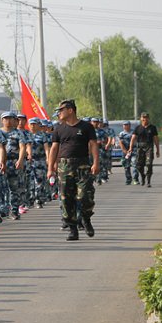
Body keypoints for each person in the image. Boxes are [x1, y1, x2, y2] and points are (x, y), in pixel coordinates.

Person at [47, 99, 99, 241]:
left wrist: (95, 163)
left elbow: (93, 144)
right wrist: (50, 168)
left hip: (83, 165)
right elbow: (54, 148)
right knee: (66, 198)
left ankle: (86, 219)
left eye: (61, 110)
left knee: (85, 196)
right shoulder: (58, 128)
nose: (59, 113)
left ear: (70, 110)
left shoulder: (86, 127)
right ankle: (72, 229)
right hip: (64, 166)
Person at [0, 112, 26, 220]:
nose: (8, 121)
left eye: (10, 118)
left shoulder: (18, 133)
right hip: (1, 163)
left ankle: (14, 210)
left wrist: (20, 160)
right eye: (6, 119)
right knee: (1, 187)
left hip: (13, 162)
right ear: (2, 120)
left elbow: (22, 147)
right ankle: (1, 210)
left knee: (14, 188)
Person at [128, 112, 160, 187]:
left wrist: (158, 150)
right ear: (141, 118)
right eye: (143, 117)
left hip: (149, 147)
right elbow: (133, 138)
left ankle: (148, 181)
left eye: (146, 117)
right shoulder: (138, 128)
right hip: (140, 148)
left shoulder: (152, 128)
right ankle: (143, 176)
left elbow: (156, 139)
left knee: (149, 164)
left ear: (148, 119)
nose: (144, 119)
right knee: (139, 165)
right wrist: (130, 148)